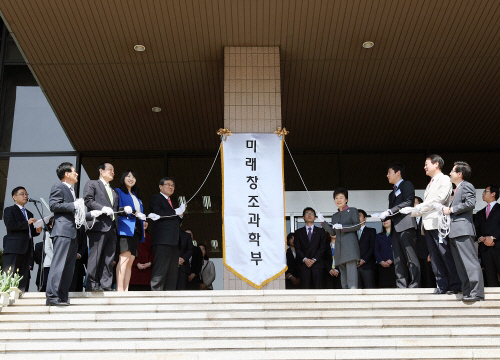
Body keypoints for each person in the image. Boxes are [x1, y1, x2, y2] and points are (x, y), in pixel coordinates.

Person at [407, 155, 461, 294]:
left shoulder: (444, 179)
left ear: (436, 164)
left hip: (439, 224)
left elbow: (439, 200)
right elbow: (428, 206)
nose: (425, 167)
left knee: (445, 254)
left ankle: (455, 284)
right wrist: (414, 210)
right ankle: (442, 285)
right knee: (435, 257)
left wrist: (418, 208)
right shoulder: (430, 183)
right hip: (428, 225)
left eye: (427, 164)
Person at [46, 162, 98, 306]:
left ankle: (62, 296)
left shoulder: (71, 191)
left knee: (69, 268)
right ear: (66, 174)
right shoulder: (59, 186)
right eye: (74, 171)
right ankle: (52, 297)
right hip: (63, 231)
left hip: (73, 233)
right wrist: (74, 205)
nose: (76, 173)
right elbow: (54, 205)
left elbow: (75, 213)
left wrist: (91, 214)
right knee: (59, 265)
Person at [442, 162, 484, 302]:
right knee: (460, 265)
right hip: (454, 232)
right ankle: (467, 291)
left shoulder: (467, 186)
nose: (450, 174)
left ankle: (476, 292)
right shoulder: (456, 190)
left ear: (460, 174)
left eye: (452, 171)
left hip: (463, 230)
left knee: (470, 262)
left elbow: (471, 203)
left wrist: (451, 209)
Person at [379, 163, 420, 288]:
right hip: (395, 229)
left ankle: (415, 284)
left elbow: (408, 202)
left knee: (410, 257)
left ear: (398, 173)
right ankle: (401, 285)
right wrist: (381, 215)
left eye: (389, 172)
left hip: (406, 225)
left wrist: (391, 211)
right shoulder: (392, 194)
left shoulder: (407, 184)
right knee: (397, 259)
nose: (387, 176)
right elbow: (391, 212)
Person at [83, 162, 119, 292]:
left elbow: (113, 209)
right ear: (101, 171)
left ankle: (106, 285)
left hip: (112, 228)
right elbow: (88, 200)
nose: (112, 172)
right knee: (95, 256)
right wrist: (102, 208)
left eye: (113, 170)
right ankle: (92, 285)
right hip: (98, 226)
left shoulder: (113, 191)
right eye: (110, 169)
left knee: (109, 258)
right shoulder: (92, 184)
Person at [3, 186, 42, 292]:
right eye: (22, 194)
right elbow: (11, 225)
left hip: (27, 249)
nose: (25, 196)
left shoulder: (29, 213)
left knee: (24, 277)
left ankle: (22, 296)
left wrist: (36, 231)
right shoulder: (9, 210)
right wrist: (27, 223)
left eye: (26, 194)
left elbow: (28, 232)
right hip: (14, 249)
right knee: (10, 275)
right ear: (14, 197)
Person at [149, 177, 185, 291]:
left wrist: (180, 216)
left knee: (172, 272)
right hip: (162, 240)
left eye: (173, 185)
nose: (171, 187)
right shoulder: (156, 198)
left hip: (174, 242)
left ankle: (170, 296)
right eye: (168, 184)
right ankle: (156, 294)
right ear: (160, 186)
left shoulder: (172, 202)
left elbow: (175, 221)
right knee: (160, 269)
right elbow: (158, 213)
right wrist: (175, 212)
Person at [321, 188, 360, 289]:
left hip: (350, 247)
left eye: (341, 197)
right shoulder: (334, 216)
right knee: (343, 275)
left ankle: (352, 293)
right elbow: (333, 232)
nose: (338, 200)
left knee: (351, 275)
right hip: (339, 248)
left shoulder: (352, 210)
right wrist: (324, 223)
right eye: (336, 198)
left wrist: (343, 228)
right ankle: (345, 294)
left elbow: (357, 226)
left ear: (346, 199)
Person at [115, 170, 147, 292]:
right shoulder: (118, 192)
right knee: (124, 258)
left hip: (136, 230)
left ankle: (126, 289)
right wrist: (124, 209)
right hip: (125, 228)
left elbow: (139, 213)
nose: (131, 178)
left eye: (133, 177)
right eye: (128, 176)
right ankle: (119, 290)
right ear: (123, 178)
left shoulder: (137, 197)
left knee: (130, 261)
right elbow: (116, 208)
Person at [295, 207, 328, 289]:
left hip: (318, 266)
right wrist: (305, 259)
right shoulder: (298, 232)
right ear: (303, 217)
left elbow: (323, 248)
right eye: (307, 213)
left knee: (318, 290)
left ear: (315, 218)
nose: (309, 215)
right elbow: (297, 248)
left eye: (312, 213)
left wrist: (314, 259)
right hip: (303, 267)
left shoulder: (321, 231)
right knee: (305, 291)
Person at [474, 185, 500, 287]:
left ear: (493, 194)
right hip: (485, 249)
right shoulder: (480, 213)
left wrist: (493, 237)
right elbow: (476, 229)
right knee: (490, 277)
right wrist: (481, 238)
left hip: (498, 247)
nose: (483, 193)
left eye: (486, 191)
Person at [414, 196, 436, 288]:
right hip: (414, 254)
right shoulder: (409, 220)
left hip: (426, 253)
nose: (412, 205)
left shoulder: (427, 218)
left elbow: (431, 236)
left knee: (428, 278)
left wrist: (431, 252)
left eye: (414, 202)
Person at [357, 210, 376, 289]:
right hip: (354, 266)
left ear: (365, 218)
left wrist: (363, 260)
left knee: (370, 288)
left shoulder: (371, 231)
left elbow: (372, 247)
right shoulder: (351, 233)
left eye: (359, 215)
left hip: (367, 265)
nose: (357, 217)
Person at [375, 219, 397, 288]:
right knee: (383, 286)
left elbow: (398, 249)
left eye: (387, 219)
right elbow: (376, 250)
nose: (385, 221)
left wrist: (392, 259)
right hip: (382, 265)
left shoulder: (396, 235)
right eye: (383, 220)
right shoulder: (379, 236)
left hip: (395, 265)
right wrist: (381, 261)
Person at [70, 227, 88, 292]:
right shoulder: (65, 225)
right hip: (66, 262)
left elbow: (84, 244)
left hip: (78, 262)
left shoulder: (81, 228)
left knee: (77, 288)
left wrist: (79, 254)